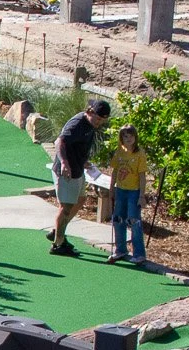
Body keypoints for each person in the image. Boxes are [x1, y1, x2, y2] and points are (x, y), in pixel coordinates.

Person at [49, 99, 110, 256]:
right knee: (66, 207)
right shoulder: (77, 124)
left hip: (77, 169)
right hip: (66, 172)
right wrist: (64, 163)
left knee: (80, 199)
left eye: (102, 121)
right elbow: (59, 141)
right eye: (97, 119)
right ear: (90, 111)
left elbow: (76, 146)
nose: (98, 123)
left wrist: (83, 161)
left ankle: (57, 231)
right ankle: (58, 244)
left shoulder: (90, 124)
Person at [107, 124, 148, 265]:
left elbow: (142, 176)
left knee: (133, 220)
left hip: (134, 191)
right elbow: (114, 171)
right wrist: (111, 188)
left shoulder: (139, 154)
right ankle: (121, 249)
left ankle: (139, 253)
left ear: (135, 137)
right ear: (121, 138)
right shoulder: (119, 152)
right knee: (118, 219)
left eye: (131, 136)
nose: (128, 139)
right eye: (125, 136)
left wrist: (142, 195)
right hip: (120, 190)